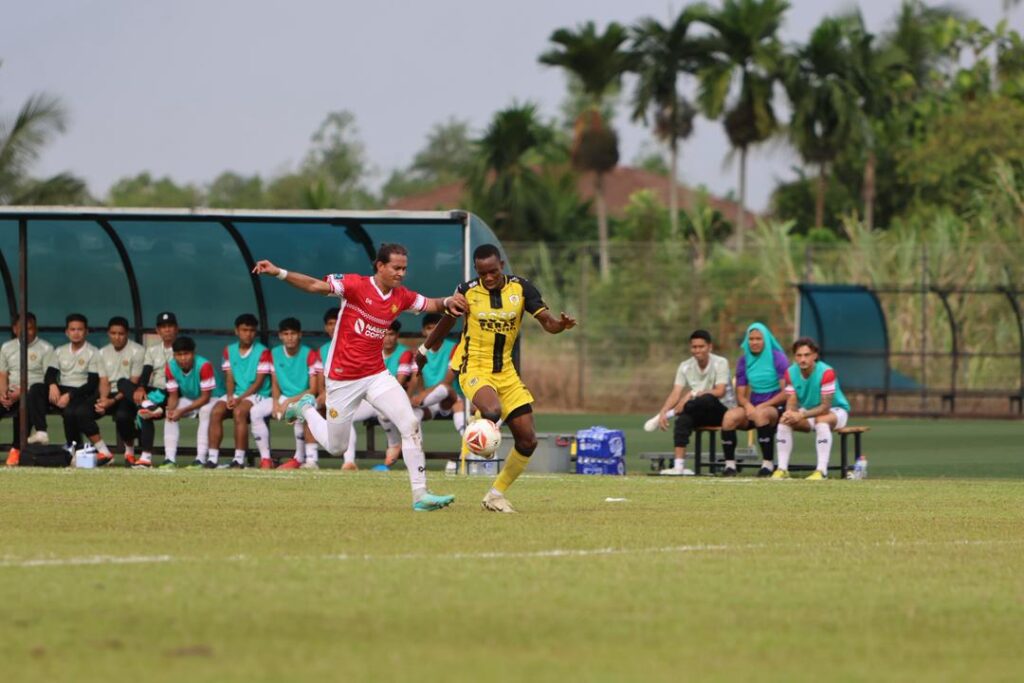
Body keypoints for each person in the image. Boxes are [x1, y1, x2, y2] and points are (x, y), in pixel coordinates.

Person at [252, 242, 463, 511]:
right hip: (342, 378)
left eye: (404, 269)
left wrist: (449, 302)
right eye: (396, 268)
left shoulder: (401, 296)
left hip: (376, 375)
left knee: (409, 423)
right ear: (380, 266)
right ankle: (306, 409)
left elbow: (431, 303)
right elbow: (315, 286)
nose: (401, 273)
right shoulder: (355, 285)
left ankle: (420, 495)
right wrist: (278, 272)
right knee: (336, 447)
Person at [416, 243, 576, 513]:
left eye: (492, 271)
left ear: (501, 265)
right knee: (491, 410)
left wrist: (560, 326)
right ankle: (479, 434)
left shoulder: (522, 289)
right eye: (482, 273)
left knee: (528, 440)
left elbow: (547, 321)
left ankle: (495, 494)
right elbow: (446, 322)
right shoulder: (466, 291)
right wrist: (423, 350)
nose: (488, 278)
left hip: (507, 372)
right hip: (474, 366)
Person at [647, 330, 734, 476]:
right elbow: (675, 393)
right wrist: (662, 412)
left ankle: (672, 413)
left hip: (723, 411)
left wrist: (691, 394)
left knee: (707, 399)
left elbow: (720, 392)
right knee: (684, 418)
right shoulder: (685, 366)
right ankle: (679, 467)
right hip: (699, 407)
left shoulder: (721, 362)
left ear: (710, 347)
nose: (697, 350)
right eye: (694, 347)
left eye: (701, 347)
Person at [772, 337, 851, 480]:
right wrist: (790, 413)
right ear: (795, 357)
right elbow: (791, 400)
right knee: (784, 421)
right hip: (809, 412)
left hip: (836, 411)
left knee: (821, 420)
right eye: (799, 355)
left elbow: (825, 408)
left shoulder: (827, 372)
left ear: (815, 355)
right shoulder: (790, 372)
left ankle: (821, 471)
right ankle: (782, 469)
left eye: (806, 355)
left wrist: (801, 415)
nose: (802, 359)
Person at [718, 322, 789, 477]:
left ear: (766, 340)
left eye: (758, 338)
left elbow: (786, 393)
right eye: (751, 339)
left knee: (761, 414)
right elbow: (741, 395)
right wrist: (748, 406)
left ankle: (768, 464)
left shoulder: (778, 358)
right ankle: (730, 465)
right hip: (754, 406)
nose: (754, 342)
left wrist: (764, 405)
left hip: (776, 407)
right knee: (729, 417)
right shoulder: (744, 361)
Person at [44, 313, 115, 464]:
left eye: (80, 329)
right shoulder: (59, 351)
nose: (76, 333)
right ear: (67, 332)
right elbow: (50, 374)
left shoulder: (93, 352)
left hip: (84, 392)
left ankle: (97, 451)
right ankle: (42, 434)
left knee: (73, 412)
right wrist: (52, 385)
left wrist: (70, 395)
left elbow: (92, 383)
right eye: (73, 329)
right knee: (36, 390)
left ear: (86, 332)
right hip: (63, 390)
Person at [208, 314, 273, 469]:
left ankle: (239, 459)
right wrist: (230, 396)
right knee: (216, 411)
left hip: (259, 395)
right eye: (244, 330)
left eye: (251, 330)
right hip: (237, 394)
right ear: (236, 331)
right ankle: (212, 458)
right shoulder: (228, 350)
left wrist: (240, 398)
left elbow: (259, 382)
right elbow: (229, 377)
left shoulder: (263, 352)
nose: (248, 333)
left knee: (239, 412)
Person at [260, 317, 322, 470]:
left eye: (293, 333)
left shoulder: (310, 354)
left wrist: (288, 402)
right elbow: (274, 382)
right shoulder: (274, 353)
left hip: (305, 397)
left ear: (300, 334)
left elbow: (313, 390)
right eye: (286, 334)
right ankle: (265, 460)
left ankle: (306, 459)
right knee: (255, 412)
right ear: (280, 336)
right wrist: (276, 402)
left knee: (300, 411)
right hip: (281, 398)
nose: (290, 337)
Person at [0, 312, 54, 466]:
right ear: (14, 329)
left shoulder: (46, 348)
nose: (25, 332)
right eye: (21, 328)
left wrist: (22, 392)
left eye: (29, 328)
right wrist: (3, 393)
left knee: (25, 407)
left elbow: (47, 379)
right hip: (11, 392)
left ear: (35, 329)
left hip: (34, 394)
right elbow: (2, 374)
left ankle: (16, 449)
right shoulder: (6, 347)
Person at [155, 336, 216, 469]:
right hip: (191, 398)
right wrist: (171, 410)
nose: (183, 358)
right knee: (169, 413)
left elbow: (206, 397)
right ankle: (170, 459)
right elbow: (173, 395)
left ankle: (200, 459)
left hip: (213, 398)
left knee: (205, 411)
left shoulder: (204, 365)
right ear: (174, 355)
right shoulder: (170, 366)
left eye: (186, 354)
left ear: (193, 353)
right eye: (179, 354)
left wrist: (181, 411)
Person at [95, 316, 146, 465]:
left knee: (123, 415)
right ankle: (103, 452)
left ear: (127, 334)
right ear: (108, 334)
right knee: (80, 412)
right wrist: (104, 400)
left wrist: (112, 401)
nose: (117, 337)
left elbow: (133, 382)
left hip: (128, 393)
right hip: (109, 393)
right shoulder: (102, 352)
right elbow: (103, 380)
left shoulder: (138, 350)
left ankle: (129, 451)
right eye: (113, 333)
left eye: (121, 333)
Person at [130, 311, 178, 466]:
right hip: (154, 390)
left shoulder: (182, 348)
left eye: (170, 326)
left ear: (176, 328)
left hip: (174, 391)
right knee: (124, 383)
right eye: (163, 327)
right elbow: (147, 371)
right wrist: (140, 388)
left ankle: (146, 456)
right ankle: (150, 405)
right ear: (158, 331)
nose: (167, 330)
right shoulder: (152, 350)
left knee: (143, 413)